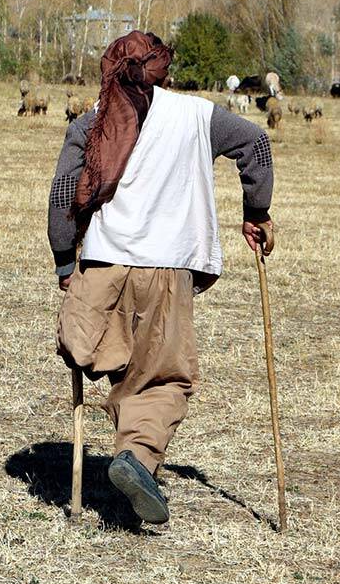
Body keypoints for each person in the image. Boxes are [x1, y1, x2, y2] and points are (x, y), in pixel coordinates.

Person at [46, 31, 275, 525]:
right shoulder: (198, 116)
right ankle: (137, 454)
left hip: (105, 266)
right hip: (169, 268)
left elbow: (63, 189)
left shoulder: (93, 121)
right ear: (164, 71)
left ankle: (121, 403)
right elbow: (257, 142)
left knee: (100, 346)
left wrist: (66, 262)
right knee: (164, 375)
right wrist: (257, 211)